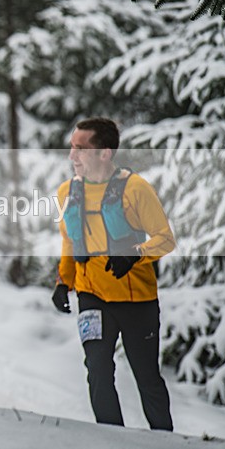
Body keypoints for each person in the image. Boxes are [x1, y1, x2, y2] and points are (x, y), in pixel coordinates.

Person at [51, 117, 175, 431]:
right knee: (98, 370)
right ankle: (112, 443)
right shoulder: (67, 191)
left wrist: (134, 256)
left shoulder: (135, 189)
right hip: (91, 295)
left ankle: (166, 444)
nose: (72, 156)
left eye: (81, 148)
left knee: (146, 377)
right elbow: (70, 240)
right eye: (72, 147)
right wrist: (62, 281)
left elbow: (165, 239)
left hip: (136, 299)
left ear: (104, 153)